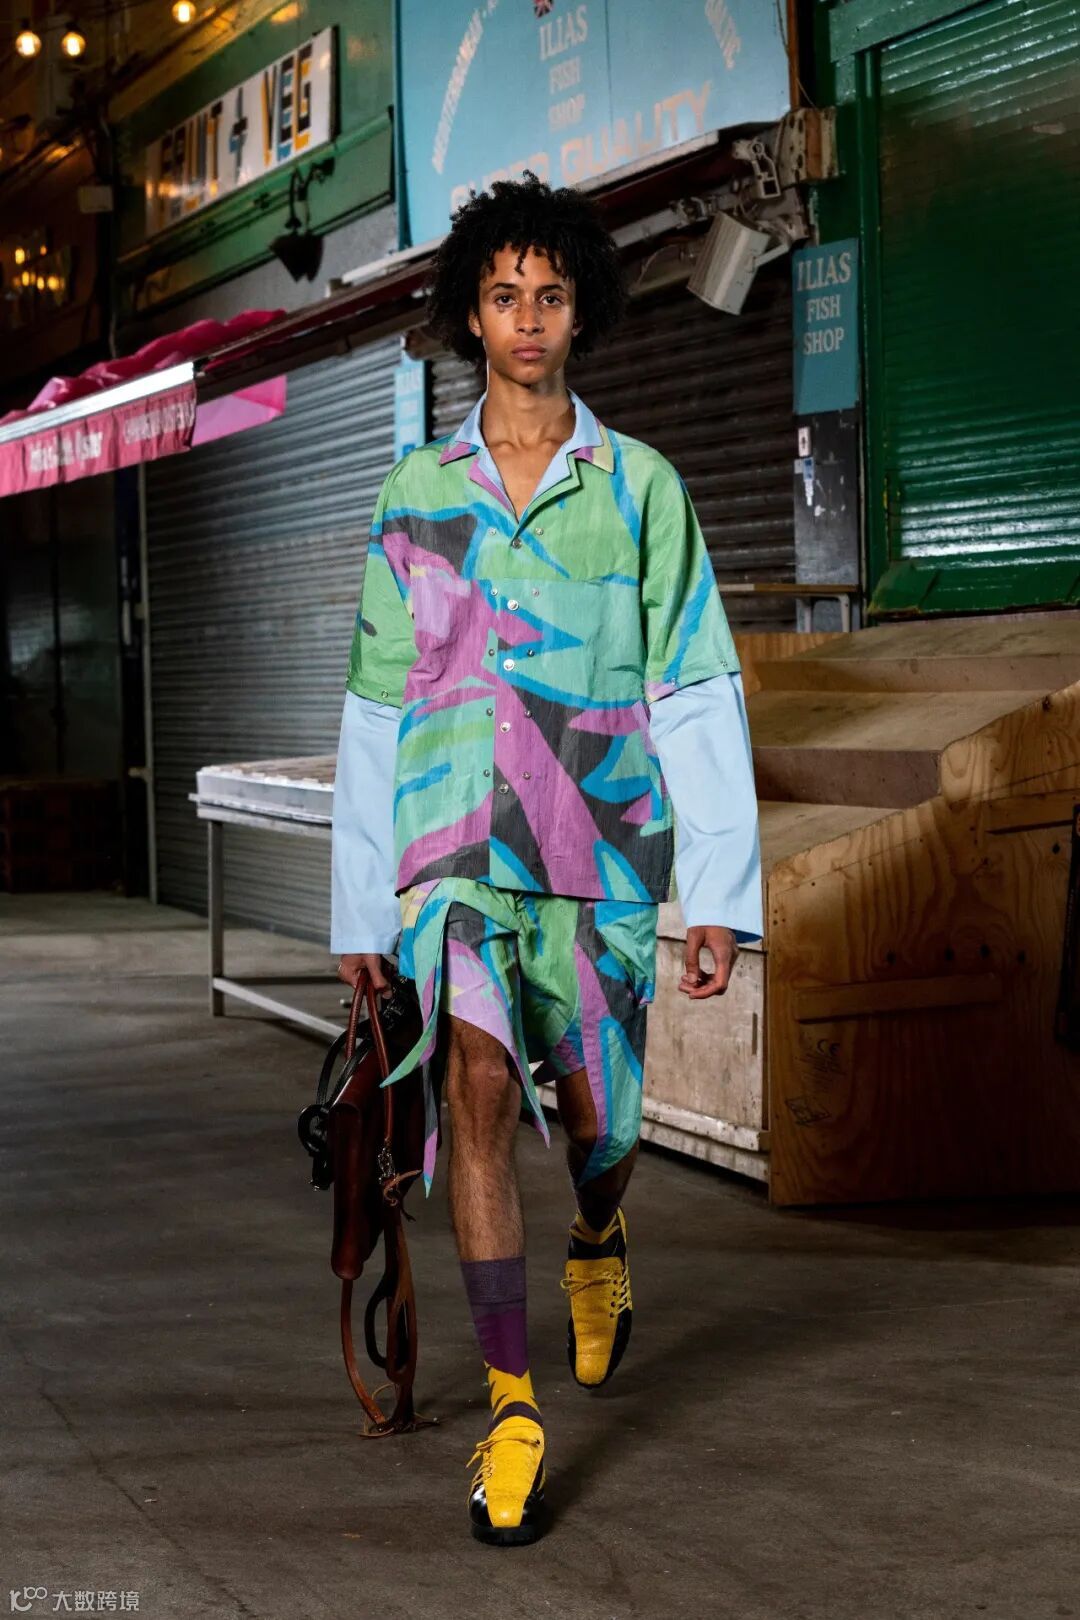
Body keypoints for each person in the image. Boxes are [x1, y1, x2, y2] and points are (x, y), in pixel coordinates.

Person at [330, 173, 762, 1546]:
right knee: (472, 1084)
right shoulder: (415, 493)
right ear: (470, 313)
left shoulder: (641, 491)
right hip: (453, 851)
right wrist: (361, 904)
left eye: (552, 295)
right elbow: (377, 704)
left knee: (598, 1130)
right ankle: (513, 1412)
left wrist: (719, 894)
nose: (528, 318)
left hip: (601, 857)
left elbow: (695, 686)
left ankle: (597, 1233)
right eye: (505, 294)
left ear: (582, 314)